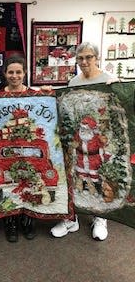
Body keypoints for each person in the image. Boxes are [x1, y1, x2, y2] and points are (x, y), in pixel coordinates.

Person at [0, 54, 51, 243]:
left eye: (18, 72)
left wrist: (46, 93)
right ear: (4, 74)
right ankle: (10, 221)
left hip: (29, 152)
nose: (14, 76)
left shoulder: (34, 95)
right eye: (10, 72)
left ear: (25, 73)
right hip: (9, 152)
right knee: (8, 186)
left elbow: (47, 113)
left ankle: (28, 218)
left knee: (31, 183)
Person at [50, 41, 112, 241]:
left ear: (97, 58)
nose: (84, 62)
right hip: (78, 141)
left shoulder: (109, 80)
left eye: (89, 57)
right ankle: (71, 218)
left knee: (98, 178)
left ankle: (99, 218)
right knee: (75, 178)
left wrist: (115, 89)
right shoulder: (74, 83)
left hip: (99, 142)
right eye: (81, 58)